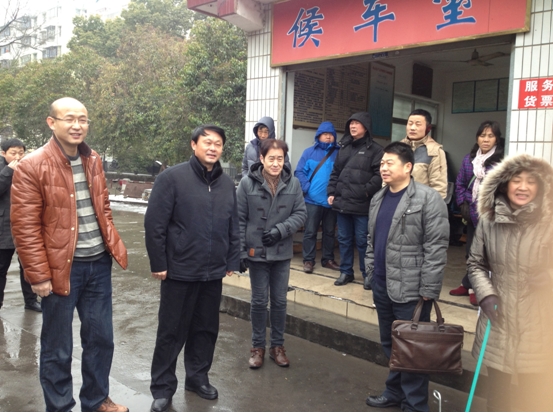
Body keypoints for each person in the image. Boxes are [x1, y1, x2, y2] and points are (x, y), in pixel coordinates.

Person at [11, 97, 129, 412]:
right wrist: (38, 275)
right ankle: (60, 406)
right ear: (52, 123)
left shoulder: (93, 159)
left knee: (101, 339)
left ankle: (96, 399)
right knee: (58, 347)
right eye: (70, 119)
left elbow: (103, 206)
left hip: (98, 265)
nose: (77, 125)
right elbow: (25, 227)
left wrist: (110, 242)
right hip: (60, 269)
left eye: (83, 119)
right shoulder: (32, 165)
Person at [145, 125, 240, 412]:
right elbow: (155, 224)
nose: (213, 148)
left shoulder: (227, 184)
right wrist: (159, 262)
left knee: (206, 329)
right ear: (194, 144)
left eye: (218, 143)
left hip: (212, 272)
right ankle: (163, 388)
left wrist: (232, 260)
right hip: (179, 270)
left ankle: (198, 378)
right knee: (171, 331)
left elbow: (233, 224)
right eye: (207, 142)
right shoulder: (172, 178)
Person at [365, 142, 449, 412]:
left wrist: (429, 287)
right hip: (382, 284)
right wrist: (370, 271)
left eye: (390, 163)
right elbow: (371, 239)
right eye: (382, 163)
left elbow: (436, 247)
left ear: (408, 167)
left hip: (412, 289)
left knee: (413, 350)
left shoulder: (428, 198)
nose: (384, 168)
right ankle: (394, 392)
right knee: (391, 344)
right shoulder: (378, 197)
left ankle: (415, 405)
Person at [468, 153, 553, 412]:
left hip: (539, 322)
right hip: (499, 319)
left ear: (541, 186)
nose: (523, 187)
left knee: (535, 398)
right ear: (505, 185)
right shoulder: (489, 220)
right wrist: (486, 294)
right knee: (498, 397)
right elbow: (475, 263)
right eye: (516, 180)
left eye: (531, 181)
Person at [237, 139, 306, 369]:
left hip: (281, 252)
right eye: (271, 158)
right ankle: (258, 347)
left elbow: (300, 214)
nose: (276, 163)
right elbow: (238, 219)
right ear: (262, 159)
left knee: (279, 301)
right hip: (256, 252)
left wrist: (280, 231)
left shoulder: (293, 183)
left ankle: (278, 346)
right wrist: (240, 251)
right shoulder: (247, 183)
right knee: (258, 301)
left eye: (280, 159)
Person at [449, 121, 504, 305]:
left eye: (490, 136)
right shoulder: (469, 160)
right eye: (482, 135)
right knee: (471, 252)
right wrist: (463, 203)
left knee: (486, 254)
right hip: (472, 215)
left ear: (497, 139)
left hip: (491, 217)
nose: (486, 140)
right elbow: (460, 184)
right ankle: (468, 284)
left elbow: (503, 190)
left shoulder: (502, 161)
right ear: (477, 138)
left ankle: (475, 287)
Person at [327, 112, 383, 289]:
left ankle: (368, 274)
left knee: (362, 241)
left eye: (357, 123)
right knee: (343, 239)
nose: (352, 126)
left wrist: (365, 192)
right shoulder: (344, 147)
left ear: (366, 127)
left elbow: (379, 175)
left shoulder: (376, 150)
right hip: (342, 203)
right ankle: (346, 272)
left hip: (362, 205)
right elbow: (335, 172)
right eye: (351, 123)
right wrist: (331, 192)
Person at [0, 138, 41, 313]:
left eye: (21, 153)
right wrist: (8, 171)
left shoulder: (29, 168)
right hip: (4, 227)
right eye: (13, 153)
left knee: (28, 266)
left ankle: (31, 301)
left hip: (27, 226)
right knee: (1, 268)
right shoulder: (4, 170)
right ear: (3, 153)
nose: (18, 157)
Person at [294, 121, 340, 273]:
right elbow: (299, 172)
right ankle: (308, 260)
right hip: (312, 201)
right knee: (310, 231)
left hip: (331, 201)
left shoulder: (339, 153)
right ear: (318, 135)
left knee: (329, 232)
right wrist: (307, 188)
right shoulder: (309, 152)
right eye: (325, 134)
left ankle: (328, 259)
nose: (328, 137)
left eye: (331, 134)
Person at [401, 109, 448, 199]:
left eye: (418, 124)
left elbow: (439, 188)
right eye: (410, 123)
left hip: (420, 203)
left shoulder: (435, 151)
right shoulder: (397, 148)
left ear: (428, 128)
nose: (412, 128)